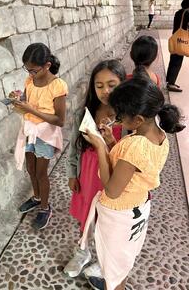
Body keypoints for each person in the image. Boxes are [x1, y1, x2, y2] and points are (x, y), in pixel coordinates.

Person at [79, 77, 184, 290]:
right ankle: (118, 283)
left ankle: (116, 285)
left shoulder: (135, 145)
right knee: (123, 261)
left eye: (120, 115)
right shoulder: (159, 135)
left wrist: (100, 147)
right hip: (138, 207)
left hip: (119, 213)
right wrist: (110, 142)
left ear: (136, 119)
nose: (116, 119)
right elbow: (131, 166)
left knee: (115, 266)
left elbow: (112, 190)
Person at [63, 60, 126, 278]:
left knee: (108, 221)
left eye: (111, 84)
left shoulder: (128, 118)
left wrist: (108, 142)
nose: (105, 91)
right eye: (99, 86)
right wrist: (72, 173)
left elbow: (127, 156)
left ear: (123, 83)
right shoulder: (85, 113)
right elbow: (74, 147)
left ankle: (104, 258)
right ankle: (83, 252)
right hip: (88, 175)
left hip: (111, 178)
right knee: (85, 215)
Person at [13, 43, 68, 230]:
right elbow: (27, 101)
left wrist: (31, 110)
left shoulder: (58, 86)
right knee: (30, 168)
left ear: (47, 66)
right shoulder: (30, 81)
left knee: (40, 173)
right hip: (29, 130)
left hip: (46, 134)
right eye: (27, 70)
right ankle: (36, 197)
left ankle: (45, 207)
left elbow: (60, 120)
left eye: (34, 70)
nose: (30, 74)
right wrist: (18, 99)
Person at [166, 0, 189, 92]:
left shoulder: (178, 12)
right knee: (177, 62)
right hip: (182, 40)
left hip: (175, 38)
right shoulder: (188, 13)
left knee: (173, 60)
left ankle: (170, 81)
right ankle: (171, 84)